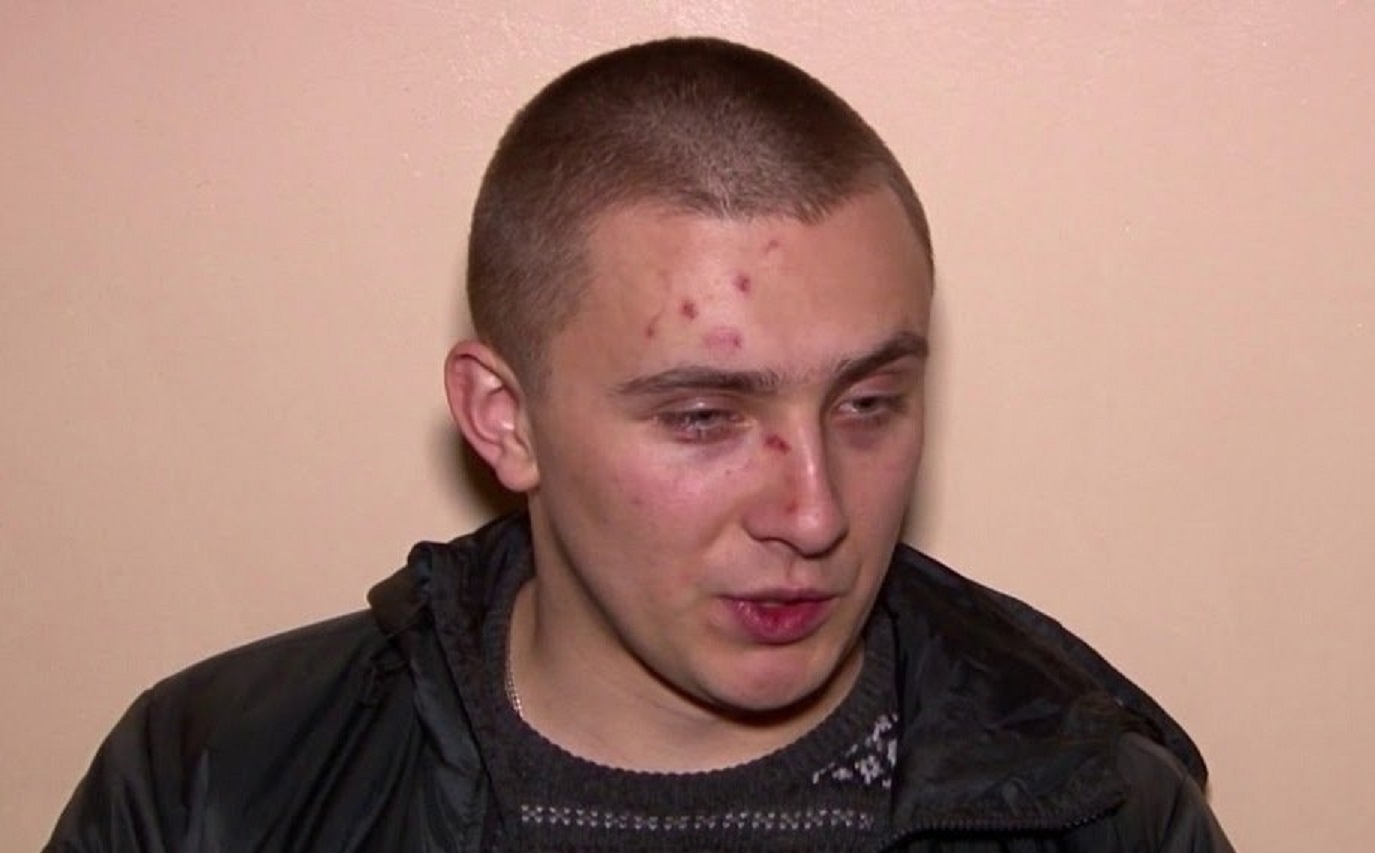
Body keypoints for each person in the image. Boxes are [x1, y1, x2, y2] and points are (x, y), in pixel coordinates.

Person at [46, 37, 1233, 852]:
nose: (814, 512)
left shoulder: (1098, 812)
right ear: (503, 418)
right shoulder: (214, 782)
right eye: (703, 417)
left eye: (868, 403)